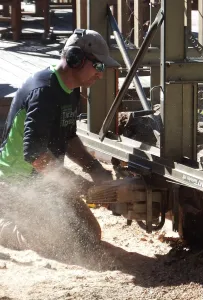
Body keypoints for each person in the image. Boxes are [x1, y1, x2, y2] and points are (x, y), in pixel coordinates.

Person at [0, 29, 120, 260]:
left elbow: (69, 137)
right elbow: (35, 154)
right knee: (52, 241)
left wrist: (94, 169)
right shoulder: (43, 92)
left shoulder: (71, 91)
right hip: (16, 184)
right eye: (99, 66)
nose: (101, 74)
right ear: (76, 59)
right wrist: (81, 186)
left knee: (90, 235)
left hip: (44, 181)